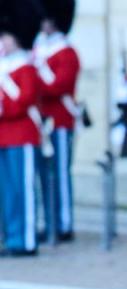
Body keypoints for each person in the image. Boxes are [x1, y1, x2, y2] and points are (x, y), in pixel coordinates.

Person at [33, 0, 80, 243]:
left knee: (60, 172)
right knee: (43, 175)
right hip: (41, 122)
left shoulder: (66, 52)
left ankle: (64, 223)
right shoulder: (37, 50)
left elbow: (58, 85)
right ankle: (48, 221)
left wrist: (35, 78)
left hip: (60, 120)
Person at [0, 4, 41, 257]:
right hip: (4, 135)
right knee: (6, 190)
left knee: (22, 189)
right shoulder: (5, 66)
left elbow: (25, 99)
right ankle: (11, 235)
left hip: (23, 134)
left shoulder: (26, 66)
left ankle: (25, 239)